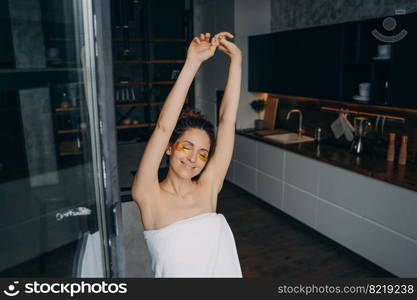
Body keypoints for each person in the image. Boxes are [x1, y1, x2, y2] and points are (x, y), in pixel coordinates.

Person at [132, 32, 242, 277]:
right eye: (186, 147)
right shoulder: (148, 195)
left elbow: (227, 120)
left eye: (203, 154)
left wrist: (236, 60)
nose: (193, 159)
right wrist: (192, 63)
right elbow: (163, 127)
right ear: (169, 147)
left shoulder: (208, 188)